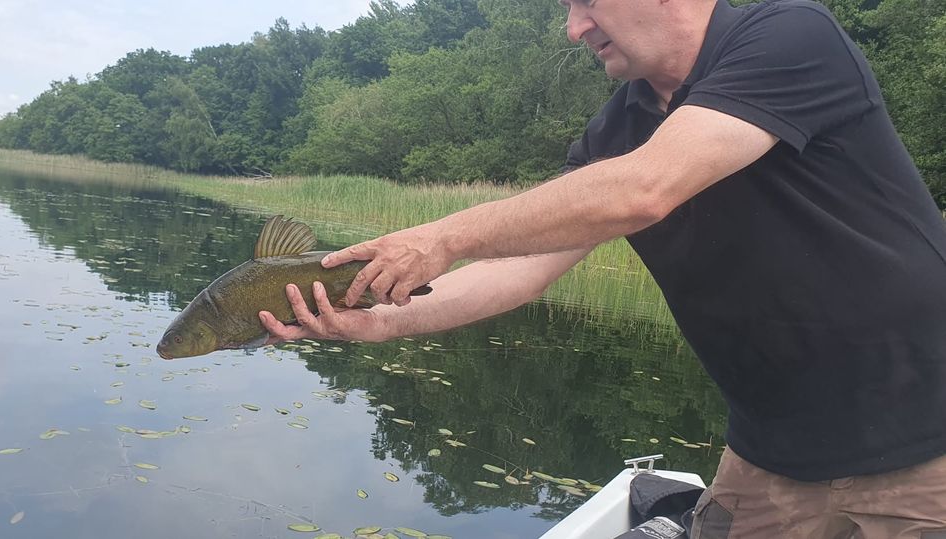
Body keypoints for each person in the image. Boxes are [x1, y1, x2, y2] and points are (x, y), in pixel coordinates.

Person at [259, 0, 946, 536]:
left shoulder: (790, 38)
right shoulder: (612, 134)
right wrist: (378, 323)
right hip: (770, 451)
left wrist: (444, 235)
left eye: (586, 3)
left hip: (927, 443)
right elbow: (521, 270)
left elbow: (647, 186)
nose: (572, 28)